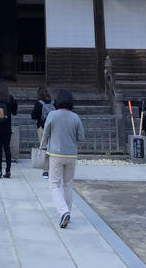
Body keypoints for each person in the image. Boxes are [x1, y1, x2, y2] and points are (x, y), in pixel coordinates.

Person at [40, 89, 84, 228]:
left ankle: (63, 211)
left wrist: (42, 147)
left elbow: (45, 133)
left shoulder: (52, 115)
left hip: (56, 154)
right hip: (71, 154)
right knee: (68, 185)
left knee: (54, 184)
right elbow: (80, 137)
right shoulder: (75, 117)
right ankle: (68, 212)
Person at [31, 86, 54, 178]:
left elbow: (33, 115)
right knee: (53, 148)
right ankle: (53, 167)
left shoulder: (39, 104)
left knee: (44, 148)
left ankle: (45, 171)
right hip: (53, 128)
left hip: (42, 127)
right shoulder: (53, 103)